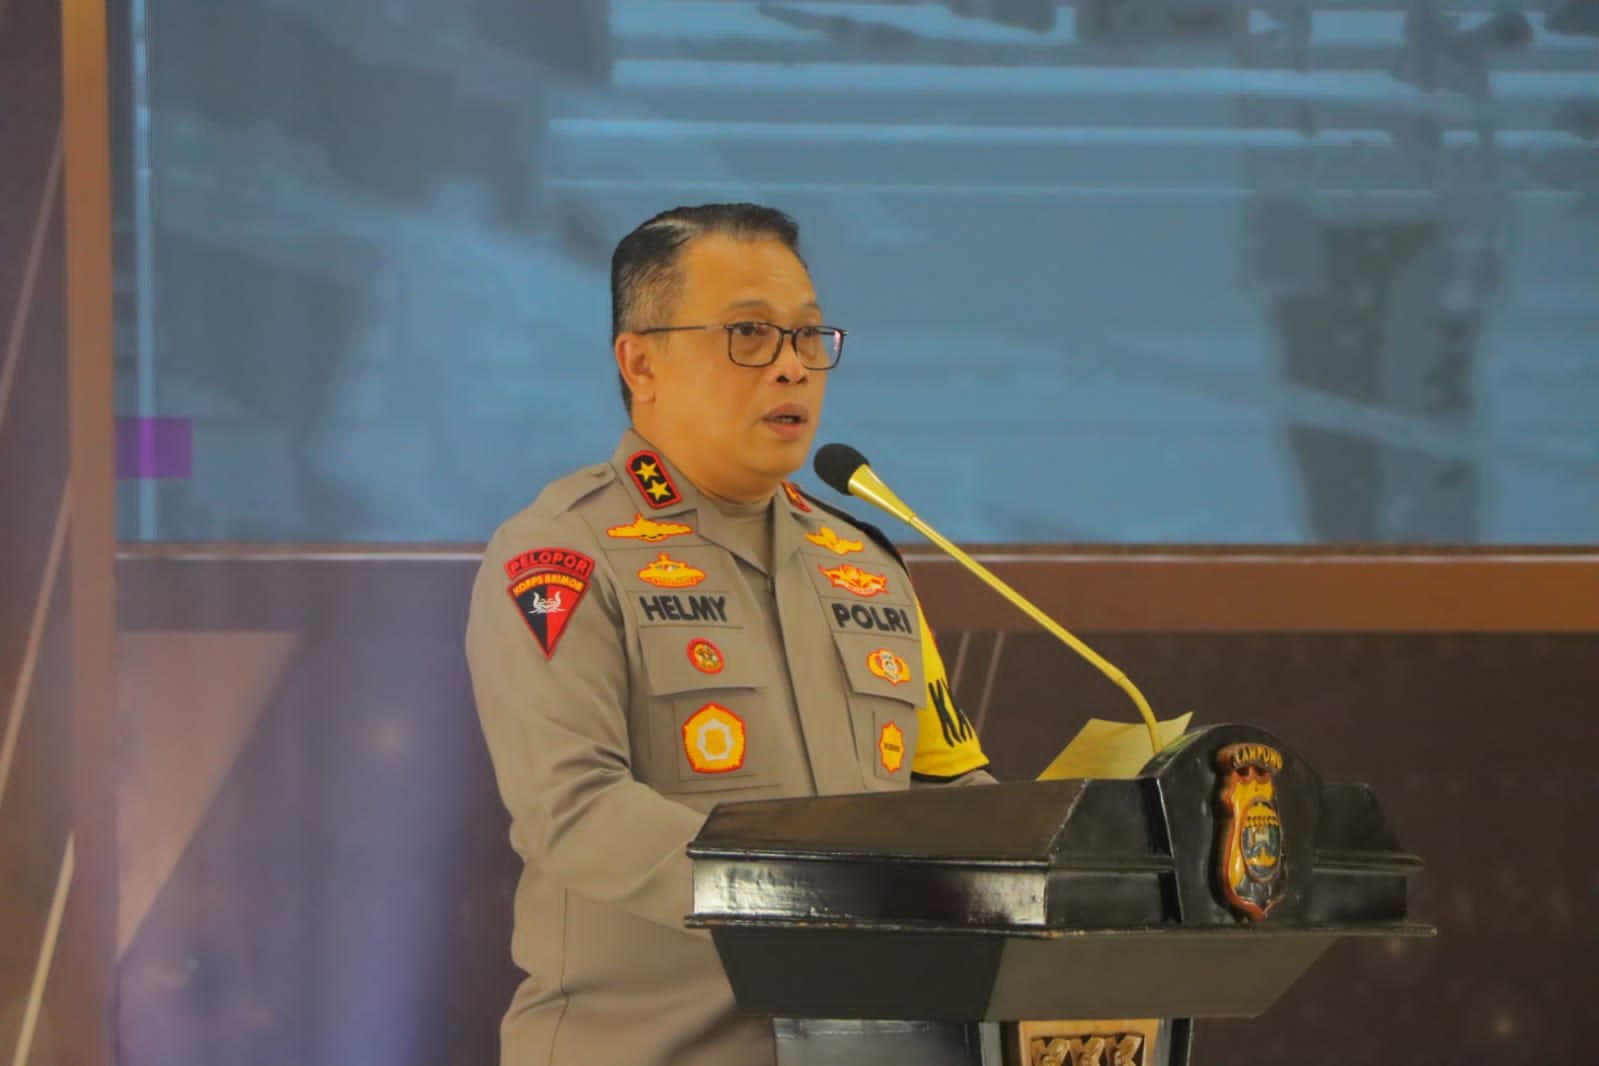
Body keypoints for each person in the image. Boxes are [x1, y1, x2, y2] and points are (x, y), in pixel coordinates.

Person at [465, 203, 993, 1066]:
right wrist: (804, 895)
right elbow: (574, 809)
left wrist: (1074, 863)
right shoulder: (561, 553)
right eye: (749, 334)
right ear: (641, 362)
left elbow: (950, 787)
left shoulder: (865, 564)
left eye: (808, 336)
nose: (791, 366)